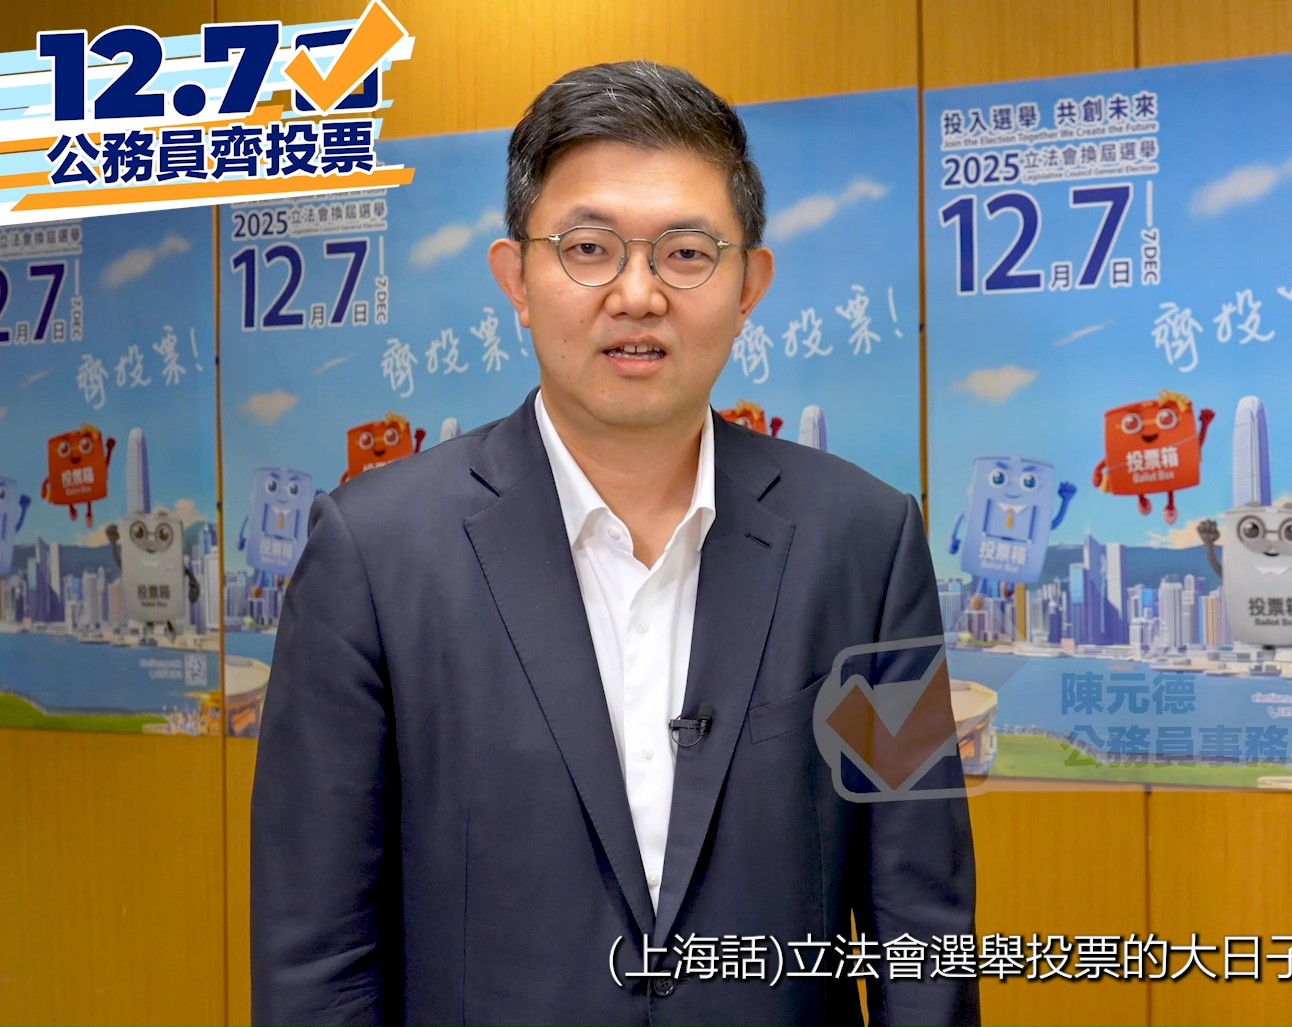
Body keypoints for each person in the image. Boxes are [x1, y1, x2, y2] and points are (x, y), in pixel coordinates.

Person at [251, 60, 978, 1025]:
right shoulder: (374, 552)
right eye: (588, 248)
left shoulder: (867, 544)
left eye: (687, 252)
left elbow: (921, 923)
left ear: (750, 285)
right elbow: (317, 955)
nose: (637, 295)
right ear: (516, 278)